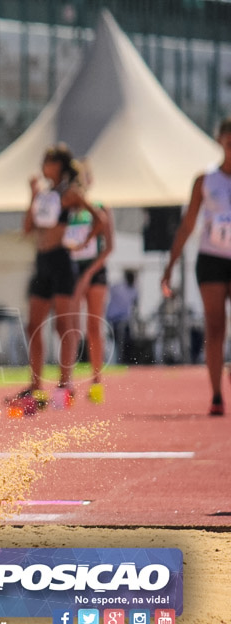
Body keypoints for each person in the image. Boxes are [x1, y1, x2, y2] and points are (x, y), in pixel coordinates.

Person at [17, 144, 104, 400]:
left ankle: (65, 383)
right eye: (43, 161)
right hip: (42, 260)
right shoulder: (43, 194)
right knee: (33, 325)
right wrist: (32, 195)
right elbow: (26, 228)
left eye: (50, 161)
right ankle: (35, 383)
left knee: (63, 325)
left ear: (61, 165)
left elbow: (100, 219)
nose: (44, 166)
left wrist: (85, 241)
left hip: (62, 261)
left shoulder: (70, 193)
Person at [162, 116, 231, 416]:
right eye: (228, 141)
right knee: (215, 327)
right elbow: (188, 224)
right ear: (220, 142)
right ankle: (216, 394)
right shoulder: (205, 180)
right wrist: (170, 265)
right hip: (212, 259)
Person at [63, 179, 114, 392]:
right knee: (72, 326)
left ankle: (96, 381)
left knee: (94, 326)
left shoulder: (100, 208)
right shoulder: (65, 212)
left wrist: (89, 274)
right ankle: (67, 381)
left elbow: (109, 247)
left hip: (95, 272)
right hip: (73, 272)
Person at [106, 269, 139, 365]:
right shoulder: (118, 287)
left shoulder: (134, 289)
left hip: (124, 318)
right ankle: (116, 361)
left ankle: (125, 360)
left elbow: (135, 303)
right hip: (114, 318)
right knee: (116, 340)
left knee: (127, 340)